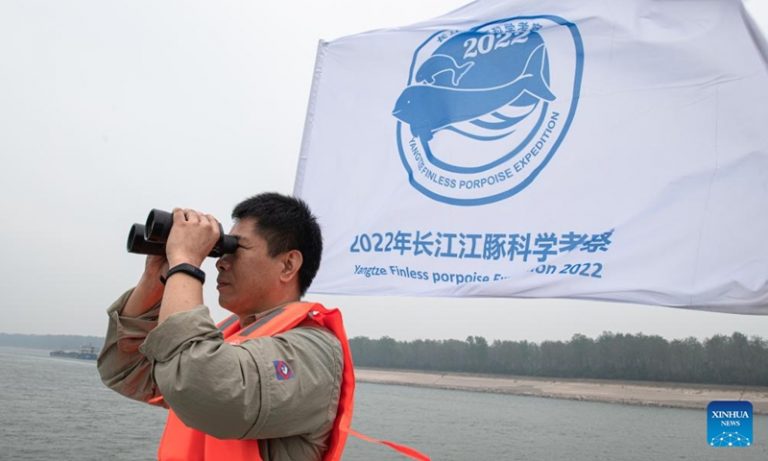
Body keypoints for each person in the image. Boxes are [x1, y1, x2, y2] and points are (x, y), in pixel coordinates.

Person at [97, 192, 353, 461]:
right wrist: (155, 277)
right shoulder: (223, 343)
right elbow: (125, 371)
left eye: (236, 249)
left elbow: (201, 384)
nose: (220, 262)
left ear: (288, 265)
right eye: (222, 250)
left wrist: (185, 262)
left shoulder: (315, 353)